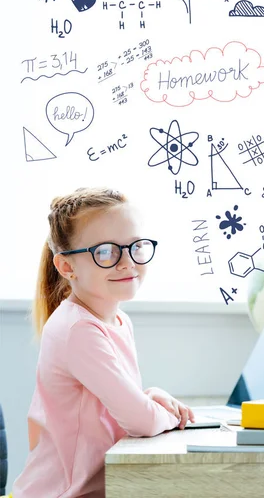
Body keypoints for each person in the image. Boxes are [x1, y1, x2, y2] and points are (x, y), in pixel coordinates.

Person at [12, 186, 195, 498]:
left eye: (135, 246)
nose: (127, 263)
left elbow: (113, 405)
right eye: (106, 252)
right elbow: (141, 420)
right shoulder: (78, 330)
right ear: (67, 267)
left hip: (100, 487)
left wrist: (151, 395)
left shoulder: (117, 320)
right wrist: (167, 415)